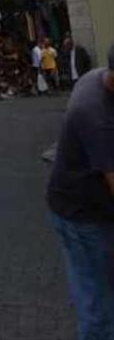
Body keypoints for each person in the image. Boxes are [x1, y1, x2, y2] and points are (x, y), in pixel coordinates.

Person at [47, 45, 114, 340]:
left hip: (87, 203)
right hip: (80, 215)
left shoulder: (97, 76)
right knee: (97, 306)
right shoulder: (96, 117)